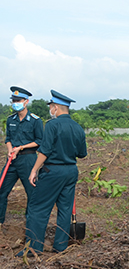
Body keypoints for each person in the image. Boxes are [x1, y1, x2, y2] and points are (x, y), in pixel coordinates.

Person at [21, 91, 87, 254]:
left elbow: (45, 151)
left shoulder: (52, 125)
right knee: (65, 210)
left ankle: (33, 248)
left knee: (38, 209)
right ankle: (60, 246)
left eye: (51, 107)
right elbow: (82, 153)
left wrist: (34, 170)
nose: (51, 110)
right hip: (71, 171)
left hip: (53, 171)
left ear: (55, 107)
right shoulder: (78, 127)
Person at [0, 87, 43, 229]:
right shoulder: (10, 120)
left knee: (32, 193)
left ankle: (30, 224)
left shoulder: (35, 120)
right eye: (13, 101)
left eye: (18, 100)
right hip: (12, 161)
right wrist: (10, 150)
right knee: (1, 190)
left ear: (26, 102)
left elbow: (39, 141)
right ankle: (0, 221)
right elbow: (8, 139)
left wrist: (21, 148)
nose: (15, 103)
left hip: (28, 160)